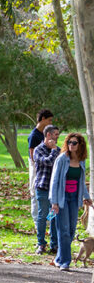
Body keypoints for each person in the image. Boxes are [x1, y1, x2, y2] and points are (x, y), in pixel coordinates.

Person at [50, 133, 93, 271]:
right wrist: (54, 202)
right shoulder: (62, 159)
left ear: (80, 145)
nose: (71, 145)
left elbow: (81, 181)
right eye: (69, 142)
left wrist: (86, 196)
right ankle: (65, 262)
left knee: (71, 230)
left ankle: (59, 258)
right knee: (64, 230)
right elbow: (54, 181)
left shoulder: (81, 160)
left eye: (74, 143)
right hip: (62, 198)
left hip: (75, 198)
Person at [33, 125, 60, 255]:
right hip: (43, 188)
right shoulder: (38, 150)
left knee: (53, 216)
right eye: (56, 134)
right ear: (48, 135)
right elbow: (47, 162)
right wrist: (54, 150)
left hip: (54, 190)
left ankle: (54, 244)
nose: (57, 137)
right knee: (42, 216)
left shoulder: (59, 150)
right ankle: (41, 243)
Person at [29, 109, 54, 225]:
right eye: (49, 120)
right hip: (37, 167)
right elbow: (33, 155)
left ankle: (48, 220)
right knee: (35, 192)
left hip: (46, 166)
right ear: (43, 119)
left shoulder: (44, 134)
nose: (50, 123)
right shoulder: (34, 135)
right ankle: (37, 220)